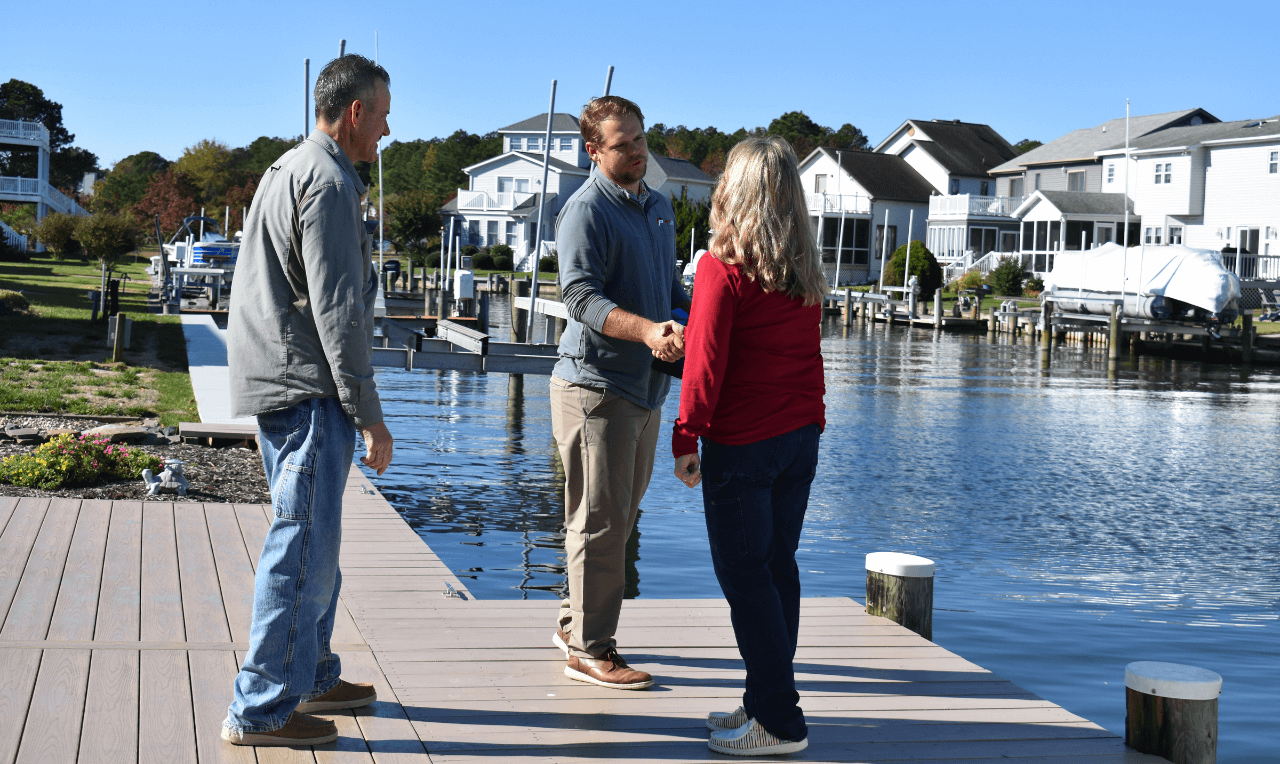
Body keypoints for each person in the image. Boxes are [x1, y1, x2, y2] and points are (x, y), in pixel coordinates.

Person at [222, 54, 394, 747]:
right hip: (306, 385)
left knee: (316, 539)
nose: (388, 128)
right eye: (382, 113)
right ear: (355, 112)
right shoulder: (327, 184)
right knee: (301, 549)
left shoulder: (289, 167)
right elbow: (339, 313)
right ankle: (261, 708)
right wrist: (370, 414)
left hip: (279, 378)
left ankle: (314, 673)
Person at [672, 136, 827, 756]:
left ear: (733, 193)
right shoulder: (801, 270)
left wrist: (687, 436)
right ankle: (763, 699)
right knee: (776, 569)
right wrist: (811, 423)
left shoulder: (722, 267)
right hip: (798, 438)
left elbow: (704, 364)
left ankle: (781, 722)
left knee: (746, 579)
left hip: (744, 443)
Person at [549, 95, 690, 690]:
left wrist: (684, 320)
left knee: (617, 521)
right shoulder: (585, 212)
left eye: (640, 139)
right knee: (599, 524)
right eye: (622, 144)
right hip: (594, 387)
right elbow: (578, 297)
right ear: (593, 150)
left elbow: (666, 288)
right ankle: (591, 648)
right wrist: (648, 331)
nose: (636, 151)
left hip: (646, 389)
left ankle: (572, 621)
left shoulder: (658, 206)